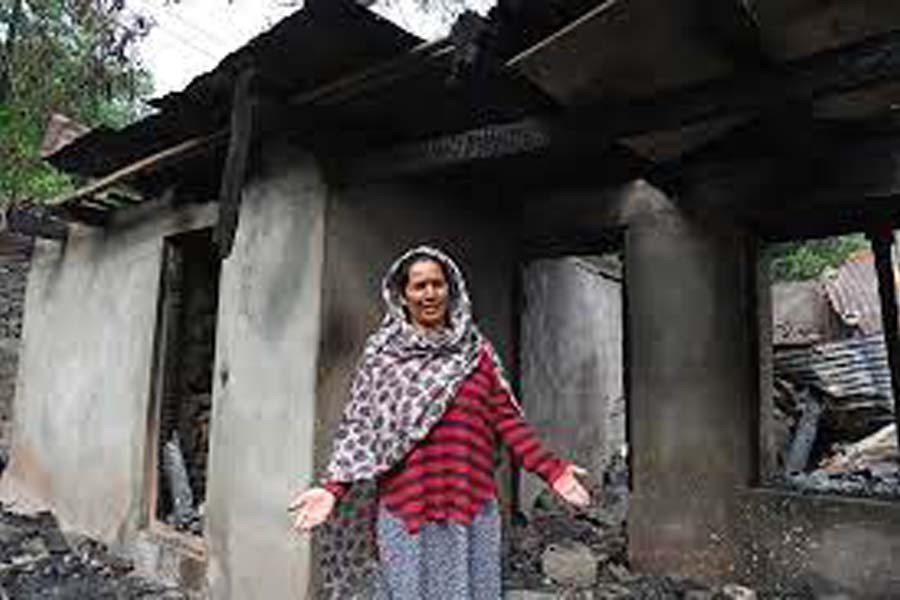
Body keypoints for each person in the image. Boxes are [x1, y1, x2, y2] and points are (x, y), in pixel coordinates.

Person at [289, 246, 590, 599]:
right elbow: (360, 429)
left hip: (470, 509)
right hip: (407, 513)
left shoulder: (476, 354)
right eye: (419, 286)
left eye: (437, 284)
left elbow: (509, 422)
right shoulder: (382, 356)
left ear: (452, 289)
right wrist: (332, 489)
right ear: (402, 295)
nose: (430, 294)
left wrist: (551, 470)